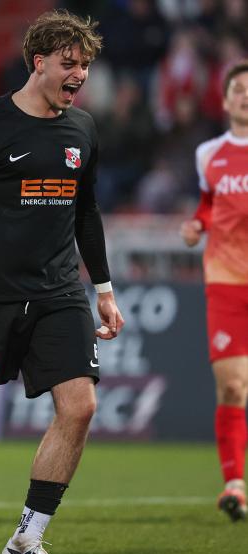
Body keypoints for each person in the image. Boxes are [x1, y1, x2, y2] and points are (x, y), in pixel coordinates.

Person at [0, 10, 124, 554]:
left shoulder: (83, 129)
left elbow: (85, 210)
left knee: (81, 406)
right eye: (69, 63)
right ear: (38, 62)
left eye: (85, 65)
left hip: (61, 293)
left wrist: (105, 289)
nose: (79, 74)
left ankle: (27, 539)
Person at [180, 59, 248, 522]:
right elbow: (208, 203)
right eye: (238, 89)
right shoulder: (208, 154)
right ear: (225, 101)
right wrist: (196, 224)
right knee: (233, 386)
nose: (246, 95)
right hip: (225, 281)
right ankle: (234, 484)